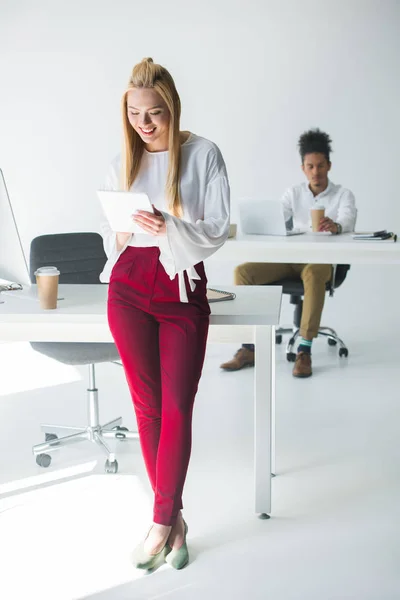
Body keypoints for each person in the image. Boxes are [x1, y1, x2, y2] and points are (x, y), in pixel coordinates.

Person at [99, 58, 230, 569]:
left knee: (177, 407)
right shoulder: (121, 162)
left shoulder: (203, 155)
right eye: (135, 114)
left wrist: (166, 225)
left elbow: (217, 228)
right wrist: (127, 228)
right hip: (129, 288)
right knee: (147, 409)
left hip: (179, 288)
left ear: (172, 107)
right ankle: (171, 521)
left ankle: (161, 520)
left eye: (155, 113)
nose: (145, 124)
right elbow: (117, 237)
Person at [220, 128, 356, 378]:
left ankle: (304, 350)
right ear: (303, 168)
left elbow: (348, 219)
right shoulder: (293, 193)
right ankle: (251, 346)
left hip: (320, 261)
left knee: (314, 273)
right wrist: (262, 223)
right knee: (243, 272)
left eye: (320, 166)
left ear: (329, 165)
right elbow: (275, 217)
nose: (316, 172)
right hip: (290, 258)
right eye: (310, 166)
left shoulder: (342, 195)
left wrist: (336, 225)